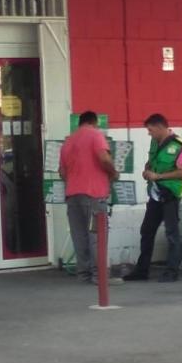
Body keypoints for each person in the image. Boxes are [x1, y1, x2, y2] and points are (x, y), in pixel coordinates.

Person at [123, 113, 182, 283]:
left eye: (151, 130)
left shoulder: (178, 145)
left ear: (160, 127)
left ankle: (171, 272)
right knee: (146, 230)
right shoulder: (155, 142)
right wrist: (147, 169)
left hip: (170, 195)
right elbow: (152, 162)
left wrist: (158, 176)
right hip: (155, 194)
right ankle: (142, 270)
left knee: (171, 234)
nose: (149, 133)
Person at [59, 111, 120, 284]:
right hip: (94, 194)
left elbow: (62, 172)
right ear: (94, 122)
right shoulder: (96, 135)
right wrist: (113, 173)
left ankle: (83, 274)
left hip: (72, 195)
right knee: (97, 235)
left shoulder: (68, 141)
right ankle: (99, 276)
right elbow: (104, 158)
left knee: (79, 235)